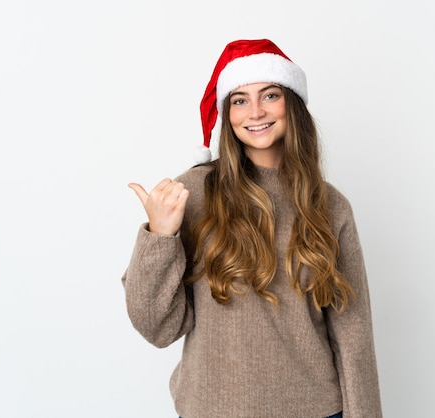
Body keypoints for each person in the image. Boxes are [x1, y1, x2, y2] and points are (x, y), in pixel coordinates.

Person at [121, 39, 382, 418]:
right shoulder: (193, 192)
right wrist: (159, 238)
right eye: (240, 100)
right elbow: (157, 328)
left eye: (269, 95)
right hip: (213, 408)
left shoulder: (330, 205)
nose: (255, 111)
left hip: (316, 409)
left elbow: (353, 334)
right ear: (227, 114)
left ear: (291, 103)